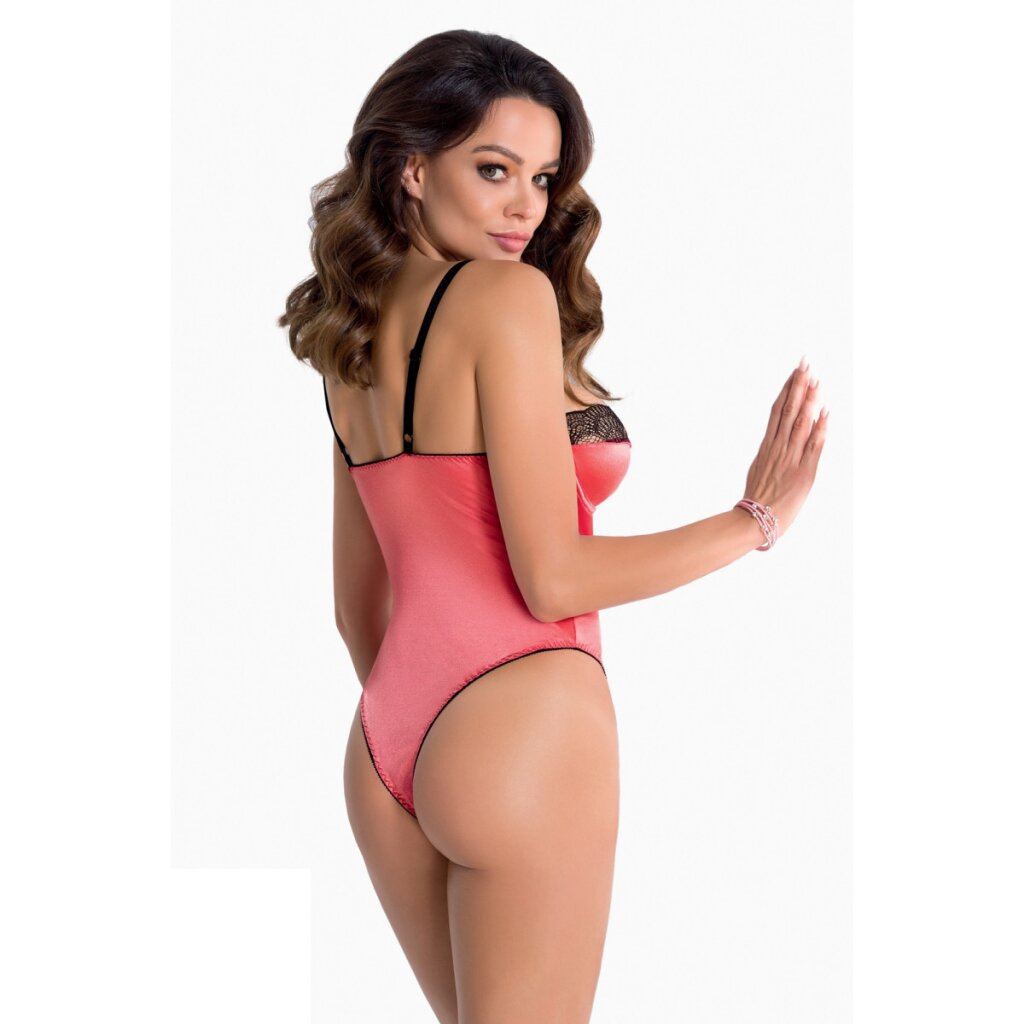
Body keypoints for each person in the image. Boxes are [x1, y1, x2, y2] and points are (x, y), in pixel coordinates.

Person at [279, 28, 828, 1024]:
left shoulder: (346, 333)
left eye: (541, 177)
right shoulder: (504, 296)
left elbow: (357, 608)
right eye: (493, 170)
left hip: (388, 747)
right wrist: (756, 518)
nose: (525, 205)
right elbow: (554, 579)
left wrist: (433, 731)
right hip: (522, 717)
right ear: (412, 168)